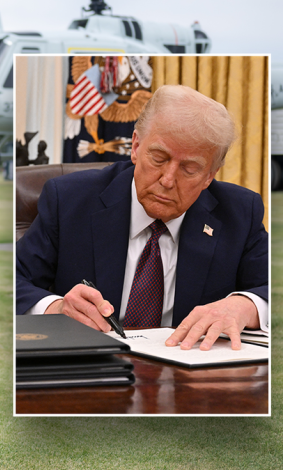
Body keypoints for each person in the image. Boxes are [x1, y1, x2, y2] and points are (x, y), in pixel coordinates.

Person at [16, 85, 268, 351]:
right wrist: (56, 308)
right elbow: (15, 281)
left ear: (210, 175)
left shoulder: (240, 211)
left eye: (189, 169)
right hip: (90, 367)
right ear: (135, 146)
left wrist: (244, 305)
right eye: (158, 158)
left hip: (191, 373)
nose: (168, 180)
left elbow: (269, 287)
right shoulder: (68, 199)